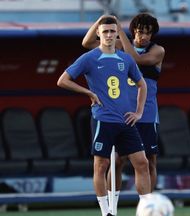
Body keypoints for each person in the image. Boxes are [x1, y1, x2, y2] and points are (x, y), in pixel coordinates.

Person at [57, 16, 151, 216]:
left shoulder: (126, 58)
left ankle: (148, 209)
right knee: (102, 165)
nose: (109, 35)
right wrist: (88, 93)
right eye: (105, 31)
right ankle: (106, 212)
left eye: (112, 31)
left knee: (142, 163)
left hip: (126, 120)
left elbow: (142, 84)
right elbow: (63, 80)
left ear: (118, 33)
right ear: (98, 33)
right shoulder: (89, 57)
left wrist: (139, 112)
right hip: (103, 119)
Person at [82, 13, 165, 212]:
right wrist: (103, 20)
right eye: (139, 32)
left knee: (148, 161)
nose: (142, 37)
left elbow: (135, 58)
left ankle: (147, 206)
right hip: (122, 111)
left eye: (147, 33)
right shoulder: (116, 44)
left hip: (146, 112)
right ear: (132, 32)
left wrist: (119, 31)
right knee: (116, 160)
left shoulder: (157, 51)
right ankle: (112, 207)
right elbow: (87, 43)